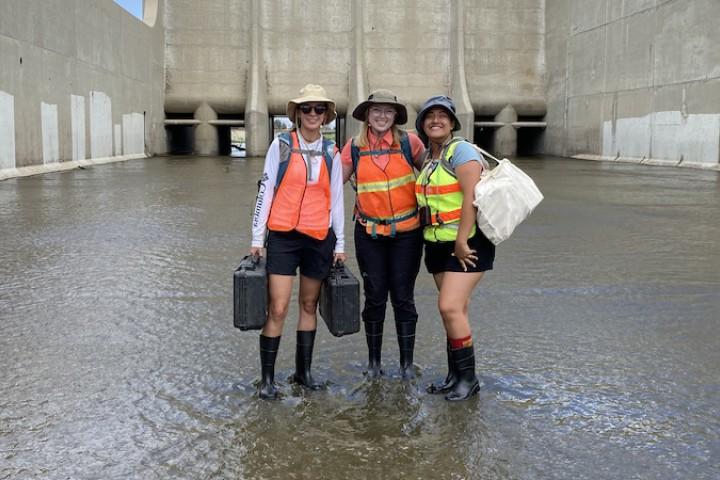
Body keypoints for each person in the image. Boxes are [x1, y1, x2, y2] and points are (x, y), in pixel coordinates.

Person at [250, 84, 346, 400]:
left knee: (309, 305)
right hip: (283, 237)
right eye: (307, 109)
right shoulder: (281, 145)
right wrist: (256, 237)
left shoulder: (332, 151)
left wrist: (341, 244)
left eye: (320, 109)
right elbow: (266, 190)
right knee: (277, 307)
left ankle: (302, 374)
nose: (313, 115)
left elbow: (337, 201)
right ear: (297, 113)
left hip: (319, 238)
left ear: (327, 116)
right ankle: (267, 380)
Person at [414, 95, 495, 401]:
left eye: (442, 116)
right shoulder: (429, 158)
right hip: (436, 245)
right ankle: (454, 376)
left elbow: (472, 197)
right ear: (423, 124)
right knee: (455, 311)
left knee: (449, 307)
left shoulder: (461, 151)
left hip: (467, 243)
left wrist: (462, 241)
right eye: (429, 116)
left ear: (451, 122)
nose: (436, 120)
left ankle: (469, 379)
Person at [341, 89, 426, 379]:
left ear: (395, 116)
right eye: (376, 110)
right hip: (369, 235)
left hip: (408, 235)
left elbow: (435, 175)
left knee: (403, 298)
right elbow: (328, 189)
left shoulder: (409, 143)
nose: (381, 116)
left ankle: (406, 365)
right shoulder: (353, 147)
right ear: (367, 114)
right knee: (375, 297)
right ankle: (374, 364)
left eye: (388, 111)